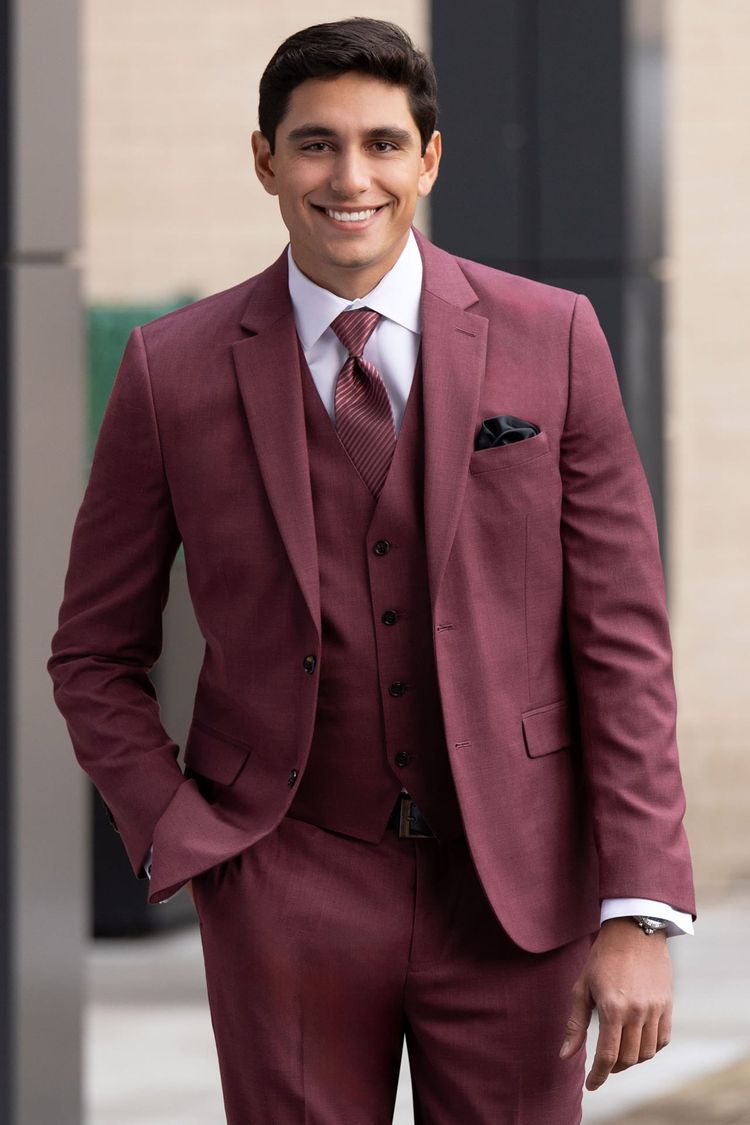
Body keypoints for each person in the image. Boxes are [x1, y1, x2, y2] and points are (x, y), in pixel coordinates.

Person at [49, 17, 695, 1124]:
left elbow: (622, 639)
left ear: (429, 158)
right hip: (283, 882)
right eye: (315, 144)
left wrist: (639, 908)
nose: (352, 177)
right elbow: (95, 652)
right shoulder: (174, 369)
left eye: (384, 144)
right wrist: (181, 834)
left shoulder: (555, 336)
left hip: (515, 890)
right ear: (265, 160)